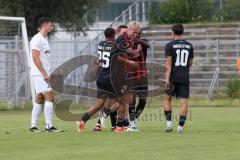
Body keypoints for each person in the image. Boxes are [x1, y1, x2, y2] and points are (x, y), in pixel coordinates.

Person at [76, 28, 137, 132]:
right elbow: (117, 58)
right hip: (112, 78)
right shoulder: (114, 46)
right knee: (123, 101)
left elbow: (100, 59)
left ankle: (82, 121)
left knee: (98, 104)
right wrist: (129, 62)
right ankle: (119, 127)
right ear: (113, 35)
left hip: (101, 77)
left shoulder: (100, 44)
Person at [29, 17, 62, 132]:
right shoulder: (37, 39)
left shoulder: (45, 38)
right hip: (39, 73)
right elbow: (35, 57)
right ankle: (49, 126)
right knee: (50, 96)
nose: (51, 27)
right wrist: (43, 73)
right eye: (50, 25)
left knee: (39, 97)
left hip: (41, 73)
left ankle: (33, 126)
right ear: (44, 25)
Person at [164, 24, 194, 133]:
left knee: (167, 99)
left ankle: (169, 125)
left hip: (172, 77)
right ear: (182, 32)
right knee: (184, 102)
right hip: (184, 77)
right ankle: (180, 127)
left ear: (172, 32)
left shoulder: (169, 45)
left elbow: (168, 63)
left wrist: (167, 80)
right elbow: (190, 63)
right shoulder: (189, 45)